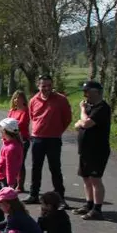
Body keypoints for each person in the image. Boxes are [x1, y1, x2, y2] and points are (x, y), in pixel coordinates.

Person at [25, 75, 72, 208]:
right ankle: (33, 194)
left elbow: (67, 118)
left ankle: (60, 198)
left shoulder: (61, 100)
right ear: (38, 86)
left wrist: (57, 131)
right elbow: (32, 117)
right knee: (36, 167)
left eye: (49, 85)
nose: (46, 88)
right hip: (37, 138)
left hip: (53, 139)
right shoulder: (33, 100)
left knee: (55, 168)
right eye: (43, 86)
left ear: (52, 85)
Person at [73, 81, 112, 220]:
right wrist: (81, 122)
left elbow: (85, 123)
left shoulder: (102, 108)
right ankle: (89, 204)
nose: (85, 95)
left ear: (96, 92)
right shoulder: (90, 106)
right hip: (85, 149)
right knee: (86, 178)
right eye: (84, 92)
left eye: (87, 91)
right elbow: (77, 125)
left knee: (95, 179)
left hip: (98, 150)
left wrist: (82, 112)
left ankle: (97, 209)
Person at [0, 117, 24, 195]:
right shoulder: (9, 143)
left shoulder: (11, 148)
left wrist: (10, 184)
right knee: (1, 201)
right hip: (2, 178)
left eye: (0, 129)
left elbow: (11, 167)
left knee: (3, 202)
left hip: (6, 181)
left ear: (4, 131)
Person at [8, 90, 31, 192]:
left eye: (19, 97)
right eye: (15, 98)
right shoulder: (12, 111)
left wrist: (11, 125)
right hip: (11, 140)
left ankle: (20, 186)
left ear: (23, 99)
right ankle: (13, 183)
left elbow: (21, 124)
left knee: (20, 162)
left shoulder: (26, 111)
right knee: (12, 163)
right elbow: (6, 124)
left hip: (23, 140)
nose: (17, 100)